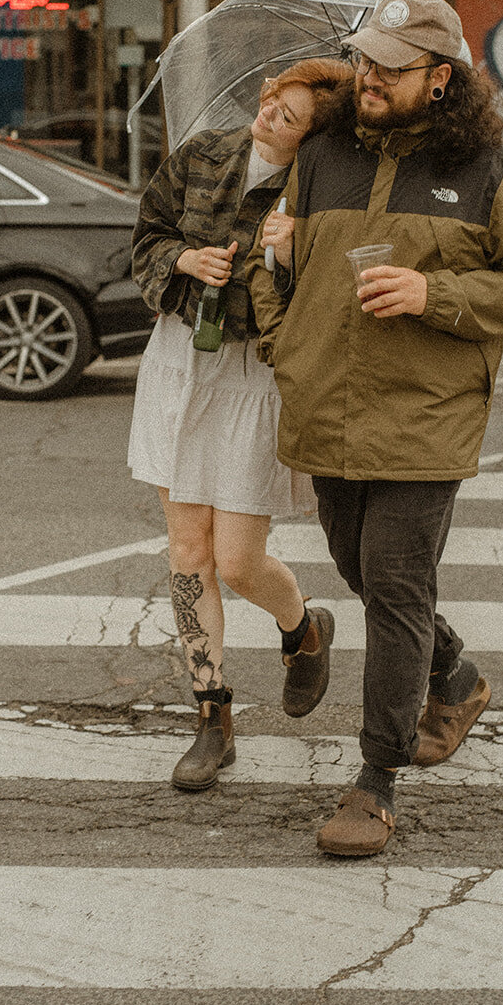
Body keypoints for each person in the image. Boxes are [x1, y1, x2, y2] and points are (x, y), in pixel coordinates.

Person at [248, 0, 503, 857]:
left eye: (391, 65)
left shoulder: (495, 170)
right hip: (328, 407)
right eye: (365, 60)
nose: (369, 76)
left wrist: (436, 293)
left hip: (427, 416)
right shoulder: (325, 154)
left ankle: (374, 782)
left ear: (440, 78)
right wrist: (286, 341)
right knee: (362, 570)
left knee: (392, 586)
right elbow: (278, 271)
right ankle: (454, 674)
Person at [129, 57, 355, 792]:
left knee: (237, 560)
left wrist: (290, 257)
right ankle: (211, 715)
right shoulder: (204, 154)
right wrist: (186, 259)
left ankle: (303, 628)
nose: (269, 118)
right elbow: (147, 238)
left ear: (313, 135)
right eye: (270, 103)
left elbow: (327, 294)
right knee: (187, 548)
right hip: (182, 363)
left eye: (289, 117)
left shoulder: (316, 191)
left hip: (253, 375)